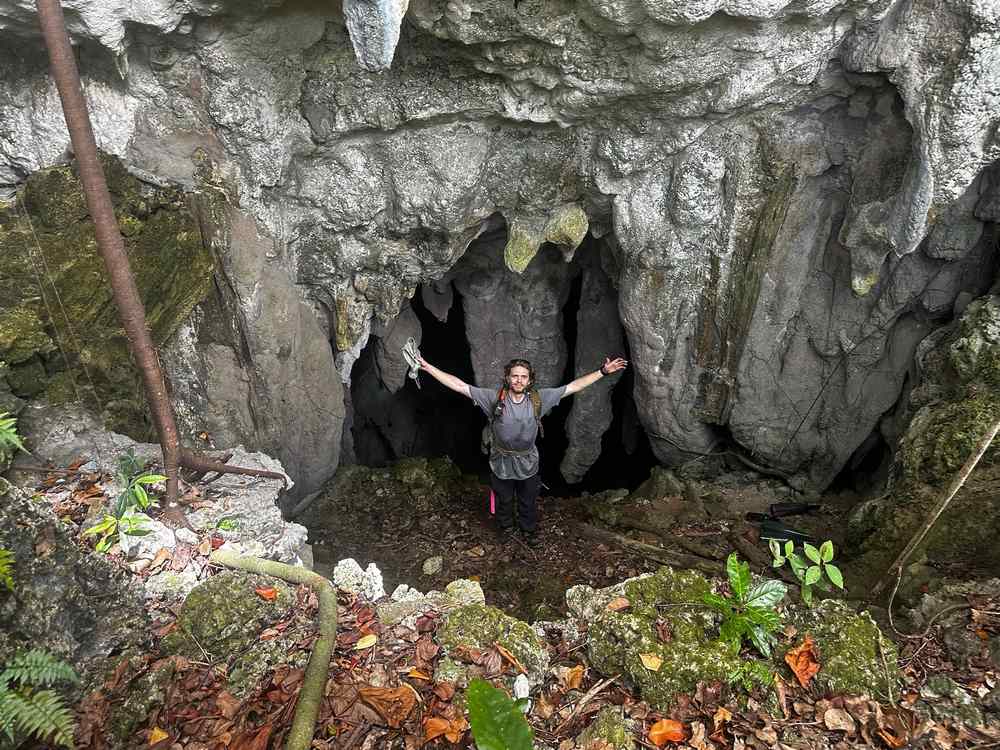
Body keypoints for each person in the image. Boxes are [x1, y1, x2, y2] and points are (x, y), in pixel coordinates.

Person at [416, 354, 628, 545]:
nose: (519, 380)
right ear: (507, 378)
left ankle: (528, 530)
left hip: (528, 461)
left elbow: (573, 387)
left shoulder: (538, 399)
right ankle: (506, 528)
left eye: (523, 376)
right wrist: (428, 366)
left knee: (527, 500)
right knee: (504, 499)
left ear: (530, 380)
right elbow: (460, 386)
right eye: (515, 376)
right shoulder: (493, 398)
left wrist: (602, 372)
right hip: (501, 460)